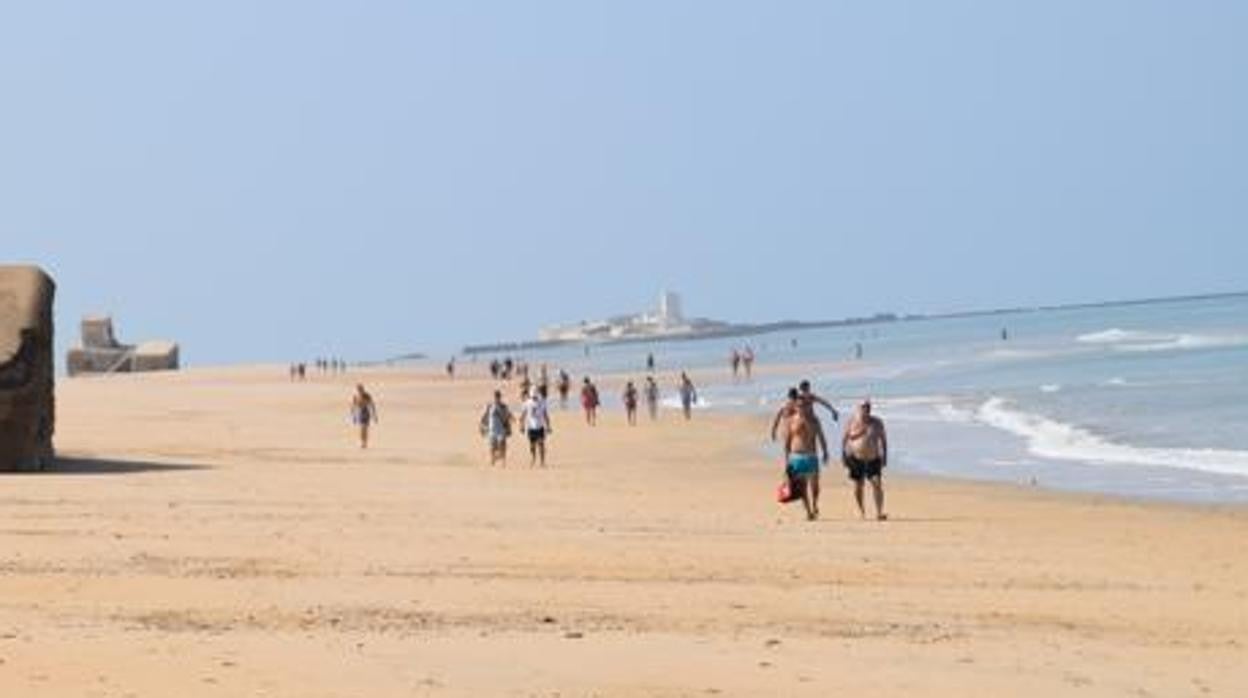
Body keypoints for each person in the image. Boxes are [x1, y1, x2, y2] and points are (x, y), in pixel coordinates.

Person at [784, 395, 829, 521]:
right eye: (799, 406)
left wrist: (825, 452)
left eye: (804, 405)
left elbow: (821, 436)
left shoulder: (814, 420)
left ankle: (815, 504)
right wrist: (787, 460)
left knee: (814, 486)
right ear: (795, 407)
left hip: (811, 456)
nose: (801, 408)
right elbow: (787, 441)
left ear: (808, 406)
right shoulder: (791, 420)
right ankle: (808, 511)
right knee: (802, 486)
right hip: (796, 457)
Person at [842, 400, 888, 520]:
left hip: (874, 458)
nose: (866, 409)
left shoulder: (877, 423)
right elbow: (845, 439)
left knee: (877, 483)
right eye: (863, 407)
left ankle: (879, 512)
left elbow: (883, 440)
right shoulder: (852, 422)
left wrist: (885, 455)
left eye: (868, 407)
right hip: (857, 458)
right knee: (858, 486)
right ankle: (861, 511)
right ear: (858, 408)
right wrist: (843, 455)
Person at [479, 390, 513, 466]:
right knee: (492, 447)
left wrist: (511, 420)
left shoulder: (503, 406)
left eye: (498, 396)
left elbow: (508, 414)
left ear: (500, 397)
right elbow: (483, 416)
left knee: (502, 445)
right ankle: (493, 460)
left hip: (501, 429)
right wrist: (481, 426)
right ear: (494, 397)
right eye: (495, 396)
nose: (497, 398)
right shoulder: (489, 406)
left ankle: (503, 461)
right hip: (492, 430)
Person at [520, 387, 552, 467]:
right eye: (533, 396)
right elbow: (523, 415)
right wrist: (522, 426)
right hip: (531, 427)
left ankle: (542, 461)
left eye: (535, 396)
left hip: (540, 426)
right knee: (532, 445)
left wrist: (548, 426)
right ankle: (533, 458)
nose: (534, 398)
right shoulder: (527, 403)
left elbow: (545, 415)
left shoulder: (542, 402)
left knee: (541, 444)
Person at [350, 384, 378, 449]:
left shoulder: (367, 396)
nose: (360, 391)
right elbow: (353, 406)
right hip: (359, 413)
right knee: (361, 429)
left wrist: (374, 415)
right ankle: (362, 442)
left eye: (361, 389)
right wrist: (353, 416)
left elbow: (372, 405)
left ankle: (364, 442)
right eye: (358, 389)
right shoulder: (355, 396)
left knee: (364, 429)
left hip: (366, 413)